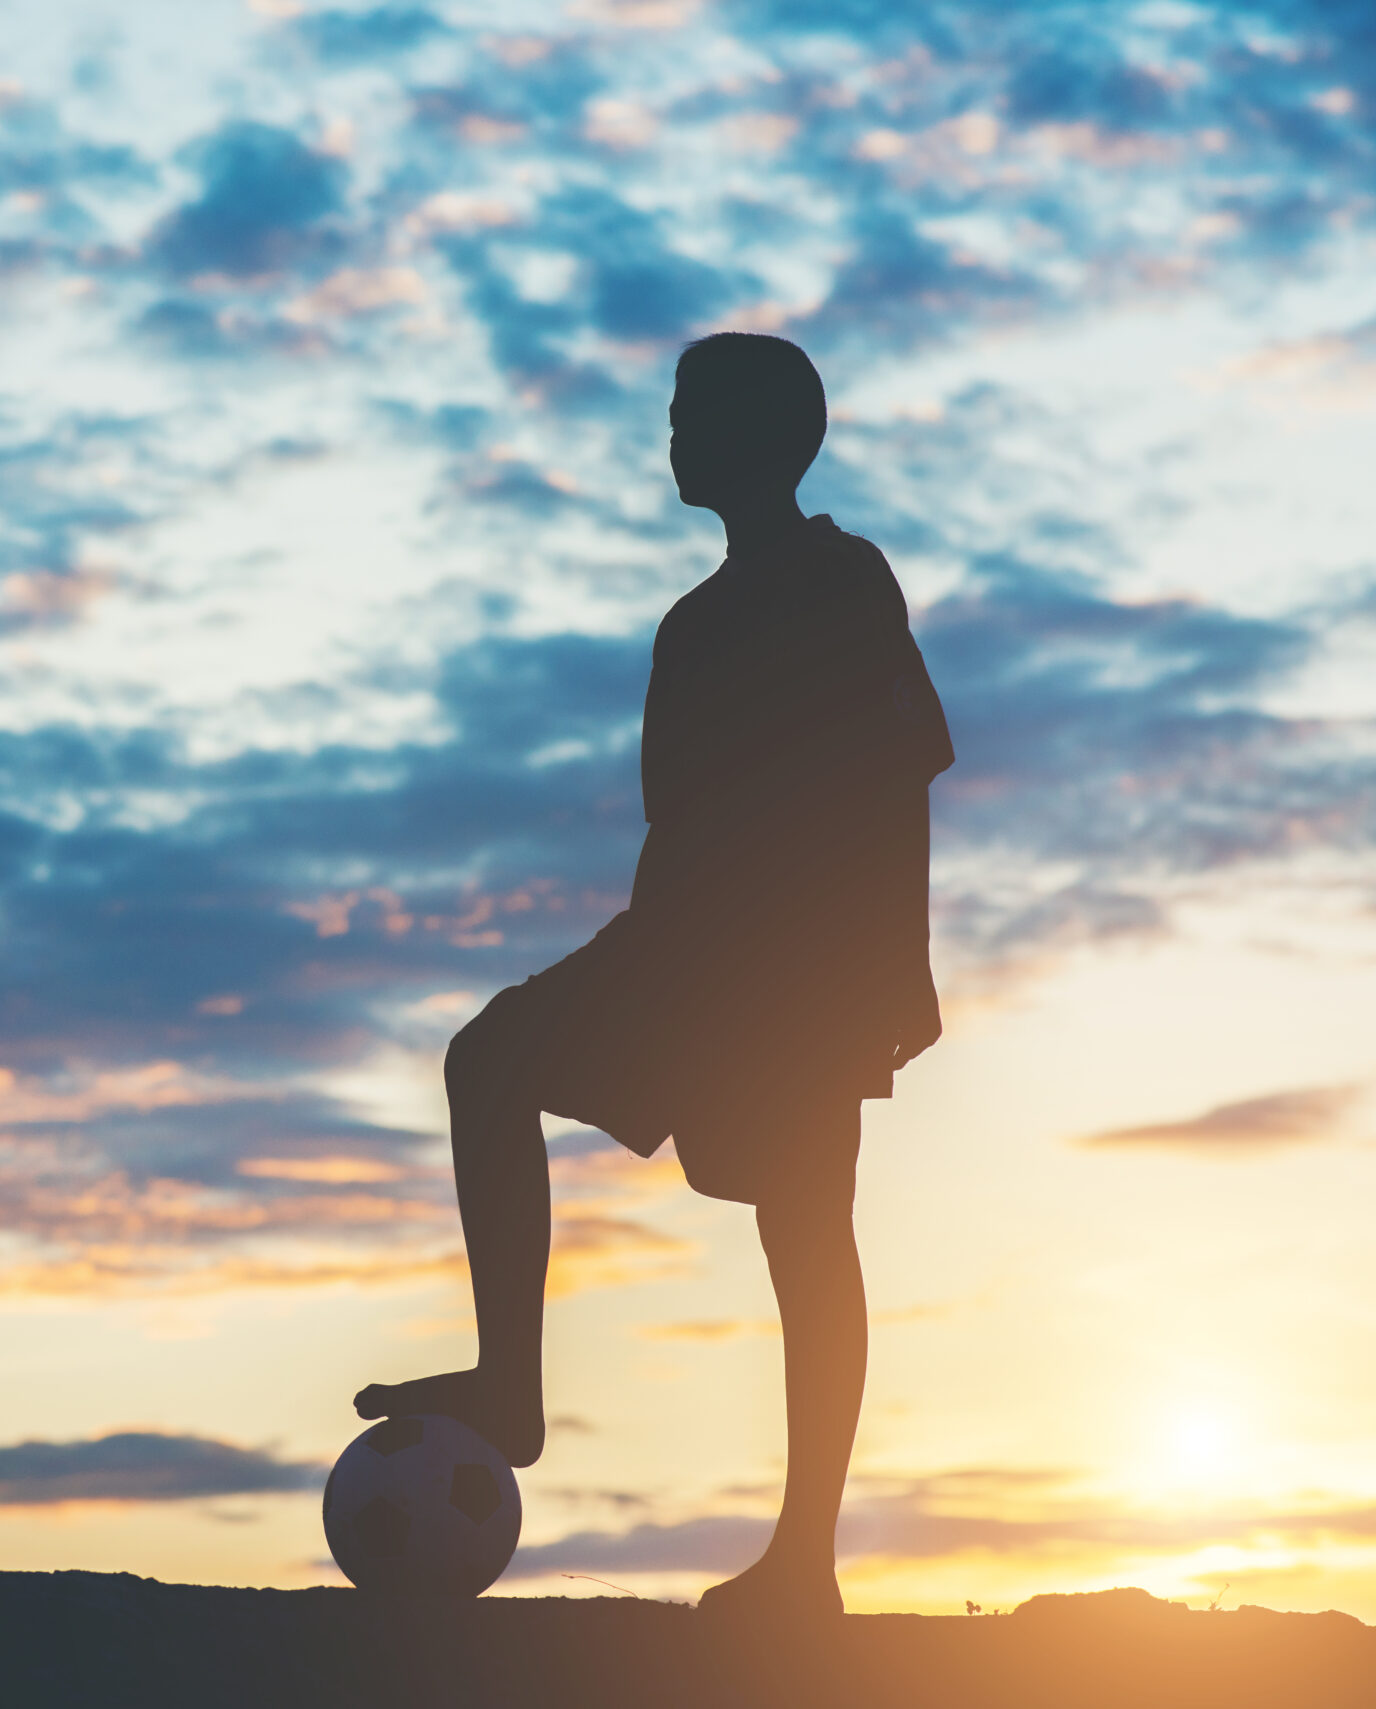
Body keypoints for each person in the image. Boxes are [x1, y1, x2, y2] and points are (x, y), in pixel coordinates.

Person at [351, 331, 954, 1621]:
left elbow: (900, 773)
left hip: (801, 970)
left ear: (762, 435)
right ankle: (510, 1385)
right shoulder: (691, 622)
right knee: (490, 1058)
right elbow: (669, 824)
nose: (670, 434)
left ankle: (805, 1562)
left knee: (805, 1235)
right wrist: (636, 978)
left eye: (691, 414)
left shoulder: (846, 577)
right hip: (680, 948)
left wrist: (897, 977)